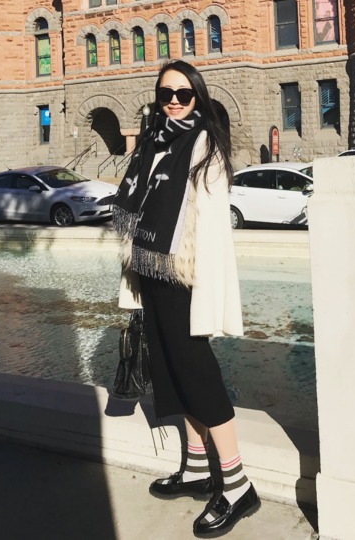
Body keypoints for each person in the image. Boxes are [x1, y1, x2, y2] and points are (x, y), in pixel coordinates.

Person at [112, 59, 261, 538]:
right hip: (152, 271)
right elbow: (137, 209)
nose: (173, 101)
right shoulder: (153, 143)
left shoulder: (204, 145)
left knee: (197, 372)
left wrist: (209, 292)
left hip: (185, 276)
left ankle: (237, 484)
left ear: (197, 95)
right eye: (165, 94)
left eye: (183, 93)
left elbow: (213, 227)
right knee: (171, 371)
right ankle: (198, 466)